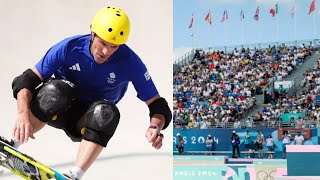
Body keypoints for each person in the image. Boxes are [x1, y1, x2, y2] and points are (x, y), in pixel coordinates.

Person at [0, 6, 172, 180]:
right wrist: (22, 113)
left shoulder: (130, 62)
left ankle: (74, 175)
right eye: (103, 43)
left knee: (107, 112)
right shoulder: (68, 47)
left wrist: (155, 126)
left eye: (114, 47)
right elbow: (26, 80)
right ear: (92, 33)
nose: (106, 52)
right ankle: (12, 144)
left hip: (86, 121)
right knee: (57, 90)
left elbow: (158, 104)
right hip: (57, 108)